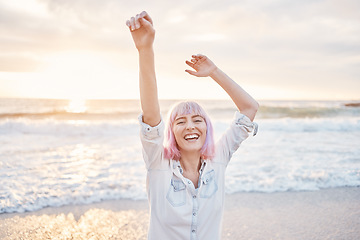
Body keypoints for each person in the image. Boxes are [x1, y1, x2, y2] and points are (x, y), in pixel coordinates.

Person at [126, 11, 259, 240]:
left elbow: (249, 108)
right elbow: (151, 111)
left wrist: (214, 72)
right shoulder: (158, 163)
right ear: (171, 132)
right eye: (181, 121)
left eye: (198, 120)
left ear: (207, 128)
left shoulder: (218, 159)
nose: (190, 126)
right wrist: (144, 49)